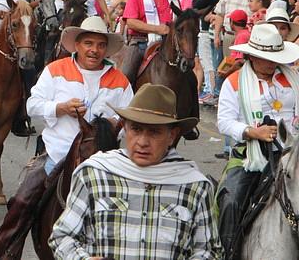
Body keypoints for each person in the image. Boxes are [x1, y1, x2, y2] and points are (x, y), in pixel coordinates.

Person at [50, 83, 222, 259]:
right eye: (136, 129)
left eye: (154, 132)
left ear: (172, 136)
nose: (142, 142)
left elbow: (209, 251)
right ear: (125, 128)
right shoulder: (93, 174)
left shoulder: (195, 186)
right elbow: (62, 236)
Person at [216, 23, 299, 257]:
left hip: (292, 152)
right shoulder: (234, 82)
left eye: (275, 57)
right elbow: (224, 121)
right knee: (231, 199)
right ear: (251, 55)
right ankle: (227, 252)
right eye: (265, 57)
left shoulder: (292, 79)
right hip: (251, 155)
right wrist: (253, 132)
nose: (271, 63)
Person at [28, 17, 131, 175]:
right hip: (59, 156)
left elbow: (131, 120)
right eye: (88, 43)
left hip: (104, 163)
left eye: (101, 45)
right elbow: (32, 106)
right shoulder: (55, 70)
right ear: (77, 45)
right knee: (23, 199)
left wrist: (113, 124)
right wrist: (61, 108)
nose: (94, 50)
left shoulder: (120, 80)